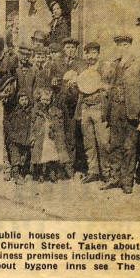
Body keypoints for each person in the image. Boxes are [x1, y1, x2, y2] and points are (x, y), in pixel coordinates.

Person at [102, 34, 140, 194]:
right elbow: (107, 86)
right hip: (115, 110)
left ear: (130, 46)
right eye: (119, 45)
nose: (122, 48)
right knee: (115, 146)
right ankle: (114, 178)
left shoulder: (139, 64)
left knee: (129, 147)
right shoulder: (113, 65)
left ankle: (127, 181)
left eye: (125, 45)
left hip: (131, 112)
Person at [75, 42, 110, 184]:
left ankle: (106, 172)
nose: (91, 56)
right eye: (88, 53)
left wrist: (104, 86)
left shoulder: (105, 68)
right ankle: (93, 171)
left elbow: (111, 86)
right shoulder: (82, 69)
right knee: (88, 141)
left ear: (98, 54)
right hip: (85, 107)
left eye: (94, 53)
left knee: (103, 141)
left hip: (99, 108)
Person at [52, 37, 87, 177]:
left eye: (73, 48)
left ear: (76, 49)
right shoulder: (57, 64)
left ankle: (71, 167)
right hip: (60, 103)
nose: (70, 50)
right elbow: (52, 82)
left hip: (75, 103)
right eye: (68, 47)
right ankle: (60, 166)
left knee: (72, 135)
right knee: (60, 134)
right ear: (64, 49)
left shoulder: (81, 64)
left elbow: (85, 82)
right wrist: (53, 82)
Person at [29, 87, 69, 183]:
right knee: (40, 156)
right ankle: (40, 175)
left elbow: (59, 123)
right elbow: (32, 125)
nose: (45, 102)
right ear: (39, 99)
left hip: (50, 137)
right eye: (43, 99)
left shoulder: (55, 110)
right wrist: (33, 136)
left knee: (52, 155)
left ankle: (52, 174)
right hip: (40, 137)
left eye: (47, 100)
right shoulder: (36, 111)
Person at [4, 91, 32, 185]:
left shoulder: (31, 111)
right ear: (18, 100)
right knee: (15, 156)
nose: (24, 102)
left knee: (26, 157)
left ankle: (25, 173)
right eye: (22, 99)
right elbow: (7, 123)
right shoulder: (14, 111)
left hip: (26, 139)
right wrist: (12, 135)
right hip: (15, 139)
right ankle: (15, 174)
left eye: (26, 99)